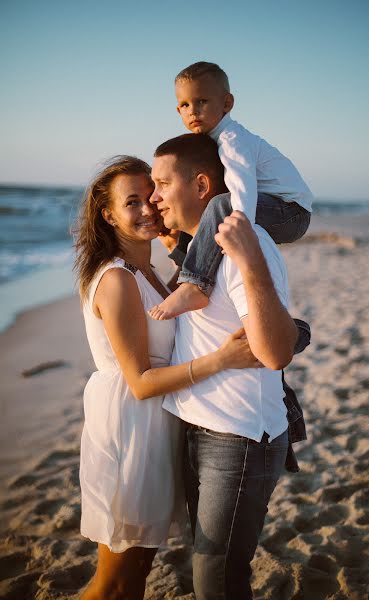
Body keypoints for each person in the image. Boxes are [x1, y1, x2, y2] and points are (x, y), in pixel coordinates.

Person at [73, 155, 263, 600]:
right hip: (129, 427)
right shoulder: (118, 280)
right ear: (109, 215)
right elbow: (138, 380)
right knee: (116, 580)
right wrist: (221, 360)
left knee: (138, 567)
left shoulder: (152, 273)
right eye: (131, 202)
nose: (147, 209)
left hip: (155, 423)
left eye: (151, 196)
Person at [150, 134, 299, 599]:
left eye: (160, 184)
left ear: (200, 185)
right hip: (201, 427)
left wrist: (250, 257)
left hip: (236, 437)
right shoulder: (204, 248)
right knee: (215, 568)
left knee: (216, 579)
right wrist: (178, 248)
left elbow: (276, 353)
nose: (154, 198)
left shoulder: (241, 246)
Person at [149, 61, 313, 321]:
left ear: (227, 103)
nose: (193, 111)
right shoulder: (212, 141)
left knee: (220, 204)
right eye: (184, 105)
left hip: (291, 212)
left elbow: (242, 189)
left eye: (202, 101)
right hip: (273, 207)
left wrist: (239, 233)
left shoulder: (231, 140)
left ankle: (195, 283)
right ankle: (184, 264)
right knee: (198, 209)